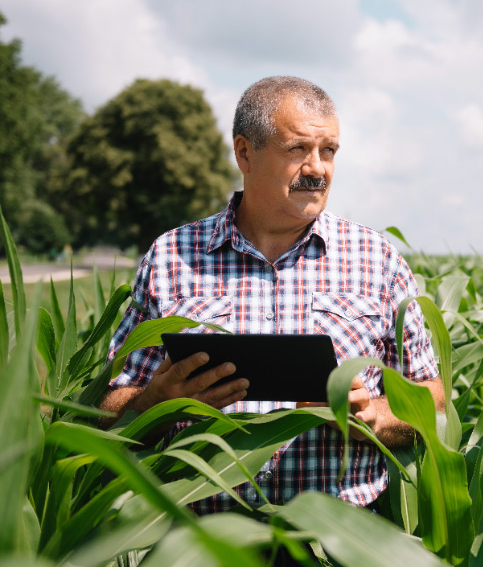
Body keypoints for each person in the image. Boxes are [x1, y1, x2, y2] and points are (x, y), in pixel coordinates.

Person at [99, 76, 445, 515]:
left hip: (337, 549)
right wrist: (157, 403)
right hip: (199, 548)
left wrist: (373, 417)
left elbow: (431, 398)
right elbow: (107, 409)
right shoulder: (171, 257)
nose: (318, 168)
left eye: (329, 151)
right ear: (245, 152)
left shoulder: (377, 259)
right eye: (298, 149)